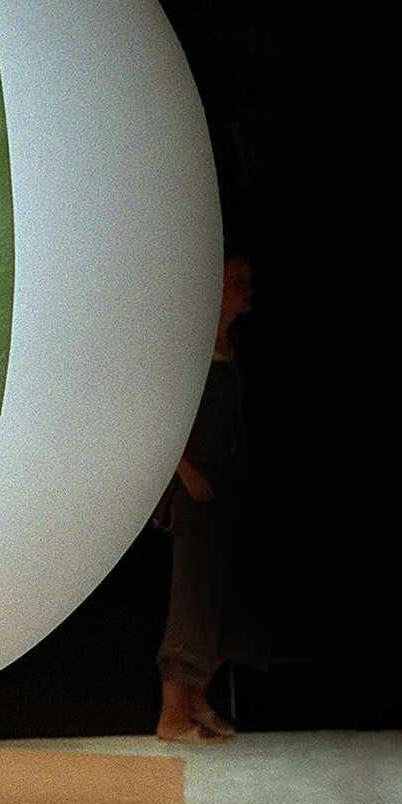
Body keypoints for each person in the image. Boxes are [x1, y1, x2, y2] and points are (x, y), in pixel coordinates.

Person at [155, 255, 256, 744]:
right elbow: (163, 420)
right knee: (192, 599)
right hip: (196, 490)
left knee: (225, 602)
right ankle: (171, 715)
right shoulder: (190, 348)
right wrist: (187, 475)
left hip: (224, 491)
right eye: (237, 281)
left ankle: (194, 701)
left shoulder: (227, 346)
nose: (246, 289)